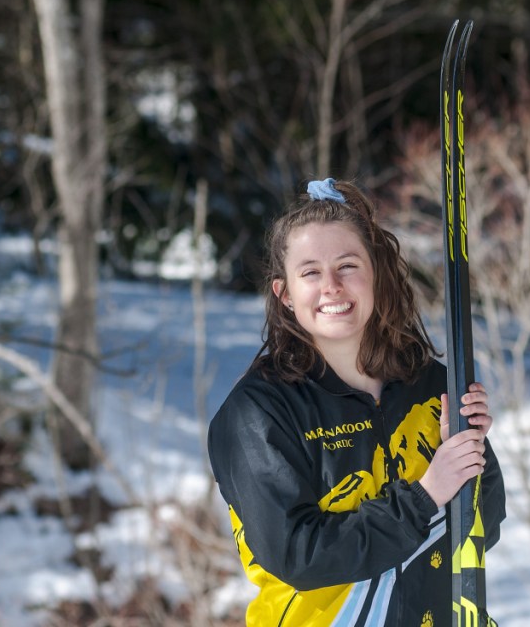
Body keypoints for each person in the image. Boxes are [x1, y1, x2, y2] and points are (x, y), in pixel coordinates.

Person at [208, 178, 505, 626]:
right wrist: (426, 496)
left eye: (347, 266)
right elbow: (298, 555)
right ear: (284, 294)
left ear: (375, 274)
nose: (331, 286)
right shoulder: (258, 413)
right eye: (310, 272)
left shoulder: (429, 385)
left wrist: (471, 452)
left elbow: (486, 524)